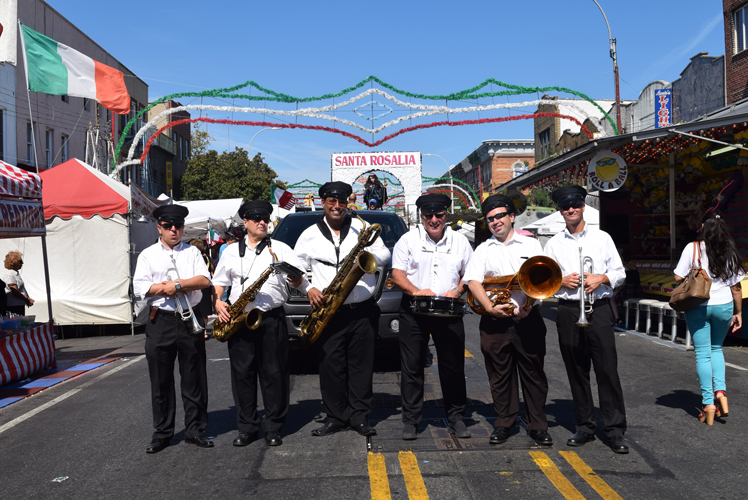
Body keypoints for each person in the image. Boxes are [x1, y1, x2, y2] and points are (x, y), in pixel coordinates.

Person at [295, 181, 391, 437]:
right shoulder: (309, 235)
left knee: (361, 365)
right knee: (330, 365)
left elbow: (384, 256)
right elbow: (295, 268)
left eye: (341, 201)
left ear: (347, 203)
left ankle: (360, 417)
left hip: (362, 310)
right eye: (331, 201)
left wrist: (363, 248)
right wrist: (308, 289)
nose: (337, 206)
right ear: (323, 203)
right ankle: (336, 416)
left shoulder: (361, 227)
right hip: (328, 310)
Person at [212, 201, 308, 447]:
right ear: (245, 222)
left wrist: (297, 279)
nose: (262, 222)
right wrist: (218, 303)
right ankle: (247, 427)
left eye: (265, 218)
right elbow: (219, 283)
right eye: (256, 218)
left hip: (270, 318)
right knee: (242, 375)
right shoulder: (231, 251)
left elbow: (300, 283)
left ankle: (274, 427)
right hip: (240, 319)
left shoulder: (281, 248)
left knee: (274, 374)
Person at [544, 185, 628, 454]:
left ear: (582, 207)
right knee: (576, 370)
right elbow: (545, 282)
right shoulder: (553, 243)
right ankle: (585, 426)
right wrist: (560, 281)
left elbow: (619, 272)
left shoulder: (602, 237)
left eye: (575, 205)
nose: (570, 210)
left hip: (599, 308)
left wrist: (601, 278)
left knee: (607, 370)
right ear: (560, 211)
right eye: (565, 207)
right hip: (568, 311)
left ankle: (614, 430)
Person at [464, 194, 552, 447]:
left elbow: (541, 279)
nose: (495, 221)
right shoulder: (482, 249)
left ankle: (538, 425)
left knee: (533, 374)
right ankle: (504, 423)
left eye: (500, 216)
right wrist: (490, 307)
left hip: (527, 317)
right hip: (494, 320)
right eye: (490, 219)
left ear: (512, 217)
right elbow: (473, 281)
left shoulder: (531, 245)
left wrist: (528, 305)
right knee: (499, 374)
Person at [392, 193, 473, 440]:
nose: (434, 220)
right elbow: (397, 274)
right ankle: (411, 420)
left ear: (446, 215)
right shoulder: (407, 240)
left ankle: (457, 417)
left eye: (439, 215)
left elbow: (470, 272)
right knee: (412, 367)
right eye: (428, 215)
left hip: (448, 310)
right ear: (421, 216)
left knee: (452, 366)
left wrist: (457, 290)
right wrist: (416, 291)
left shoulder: (460, 241)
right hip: (414, 310)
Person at [133, 205, 212, 454]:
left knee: (194, 378)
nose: (174, 230)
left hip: (190, 320)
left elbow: (204, 280)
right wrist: (165, 288)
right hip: (161, 321)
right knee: (161, 380)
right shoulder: (147, 254)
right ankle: (163, 432)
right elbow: (140, 288)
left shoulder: (192, 253)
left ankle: (195, 430)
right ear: (160, 228)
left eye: (178, 225)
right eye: (168, 226)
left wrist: (176, 285)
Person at [674, 212, 744, 425]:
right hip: (724, 306)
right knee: (716, 349)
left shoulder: (692, 248)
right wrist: (738, 312)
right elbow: (737, 287)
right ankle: (721, 393)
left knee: (703, 354)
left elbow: (678, 276)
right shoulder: (729, 250)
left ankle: (708, 404)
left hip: (698, 305)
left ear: (703, 227)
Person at [4, 251, 33, 316]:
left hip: (18, 305)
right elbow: (14, 291)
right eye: (20, 261)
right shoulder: (10, 274)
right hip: (14, 307)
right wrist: (27, 299)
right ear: (14, 262)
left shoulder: (15, 273)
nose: (22, 263)